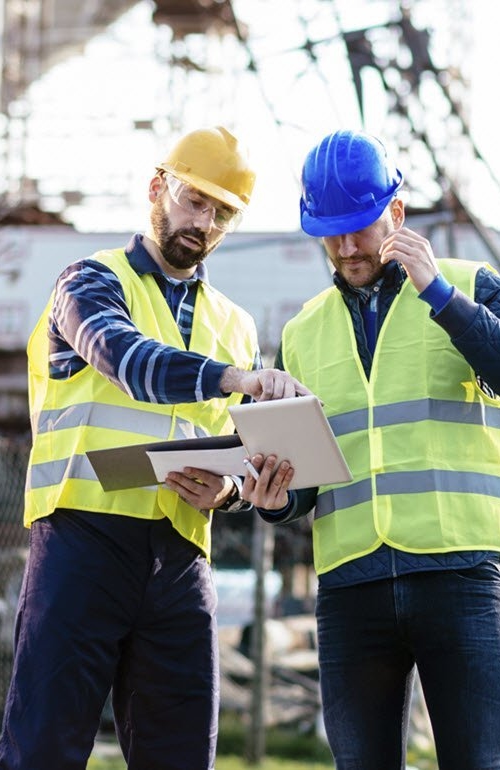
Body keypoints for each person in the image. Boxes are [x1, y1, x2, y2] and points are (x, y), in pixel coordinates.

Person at [0, 125, 310, 770]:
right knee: (44, 747)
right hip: (81, 539)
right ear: (156, 189)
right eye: (195, 200)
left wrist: (231, 492)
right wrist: (237, 378)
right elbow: (127, 361)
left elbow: (245, 450)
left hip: (181, 558)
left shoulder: (236, 324)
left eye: (222, 213)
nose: (205, 223)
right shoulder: (88, 282)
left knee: (182, 754)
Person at [242, 129, 500, 770]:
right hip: (350, 585)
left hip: (461, 572)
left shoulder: (467, 285)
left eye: (359, 229)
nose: (347, 248)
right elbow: (304, 480)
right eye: (330, 233)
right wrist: (274, 500)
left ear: (398, 214)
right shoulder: (302, 331)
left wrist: (441, 297)